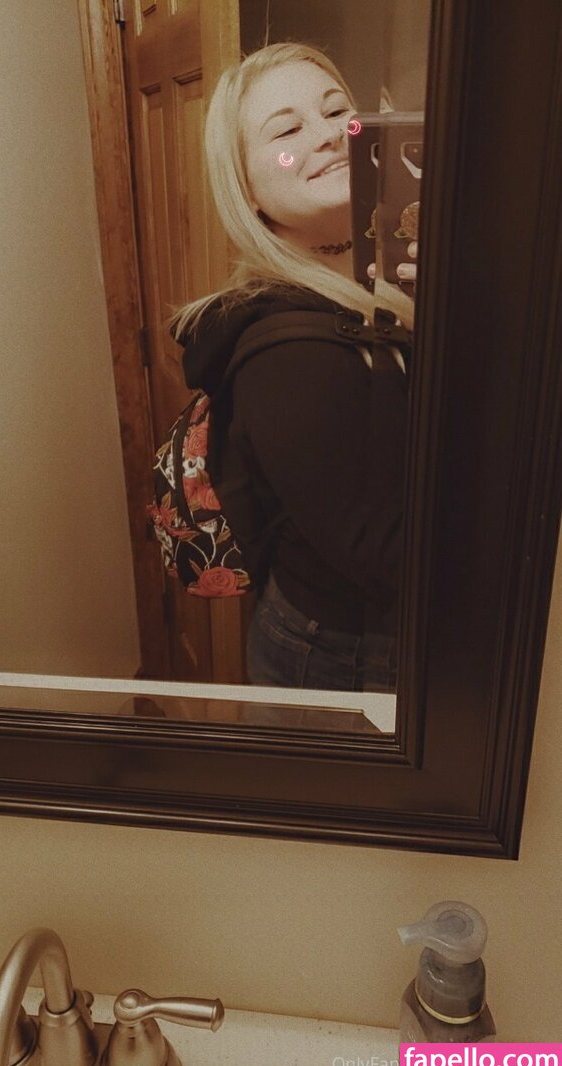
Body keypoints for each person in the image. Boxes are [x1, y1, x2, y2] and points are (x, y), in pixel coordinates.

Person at [168, 43, 409, 692]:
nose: (328, 134)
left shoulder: (390, 281)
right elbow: (384, 554)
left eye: (336, 111)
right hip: (337, 655)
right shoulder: (287, 350)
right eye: (287, 131)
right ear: (246, 188)